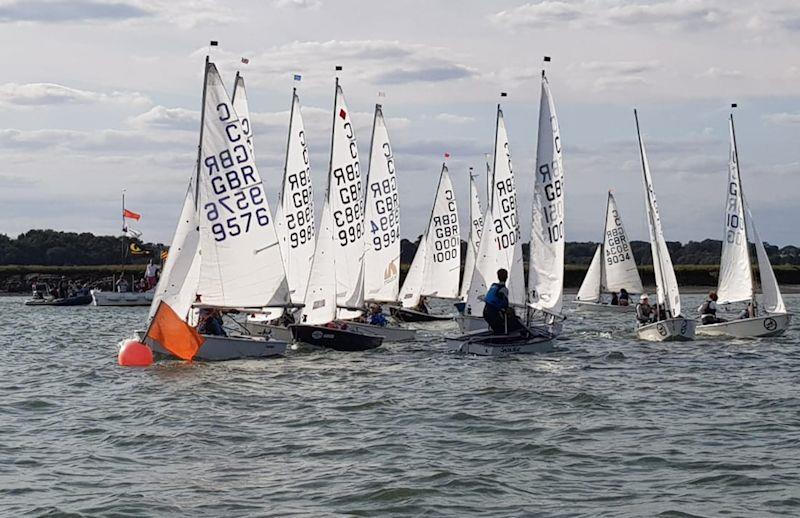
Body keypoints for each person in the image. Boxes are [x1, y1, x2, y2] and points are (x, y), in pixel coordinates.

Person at [483, 268, 525, 335]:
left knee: (498, 327)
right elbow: (505, 304)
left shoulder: (493, 286)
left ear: (497, 276)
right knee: (507, 323)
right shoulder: (503, 289)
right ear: (507, 277)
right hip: (492, 313)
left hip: (485, 312)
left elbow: (491, 300)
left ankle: (497, 335)